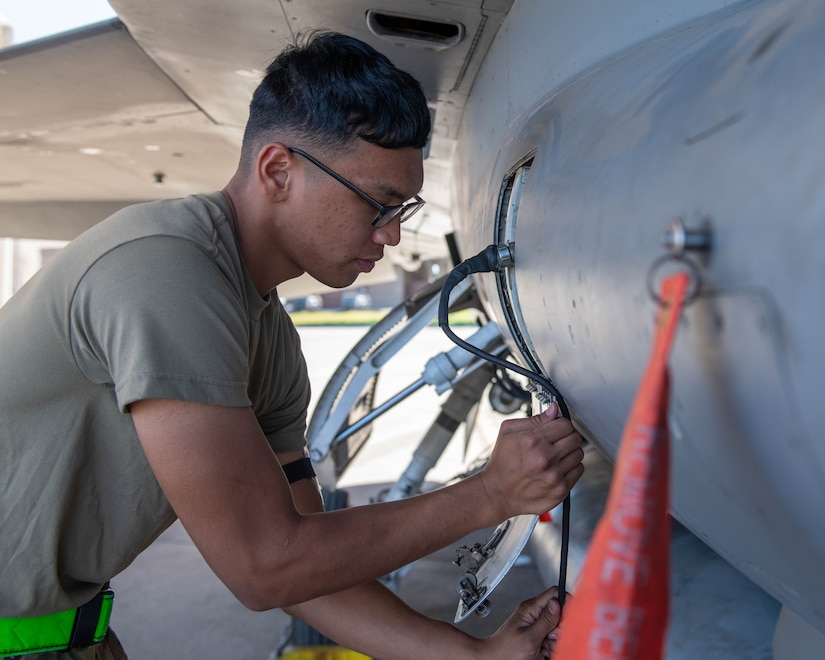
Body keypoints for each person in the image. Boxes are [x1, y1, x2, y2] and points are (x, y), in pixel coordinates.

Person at [0, 30, 585, 659]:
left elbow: (306, 574)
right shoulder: (164, 273)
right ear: (278, 170)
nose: (389, 237)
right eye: (377, 205)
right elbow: (263, 566)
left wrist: (471, 655)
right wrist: (490, 494)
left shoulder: (268, 341)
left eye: (403, 211)